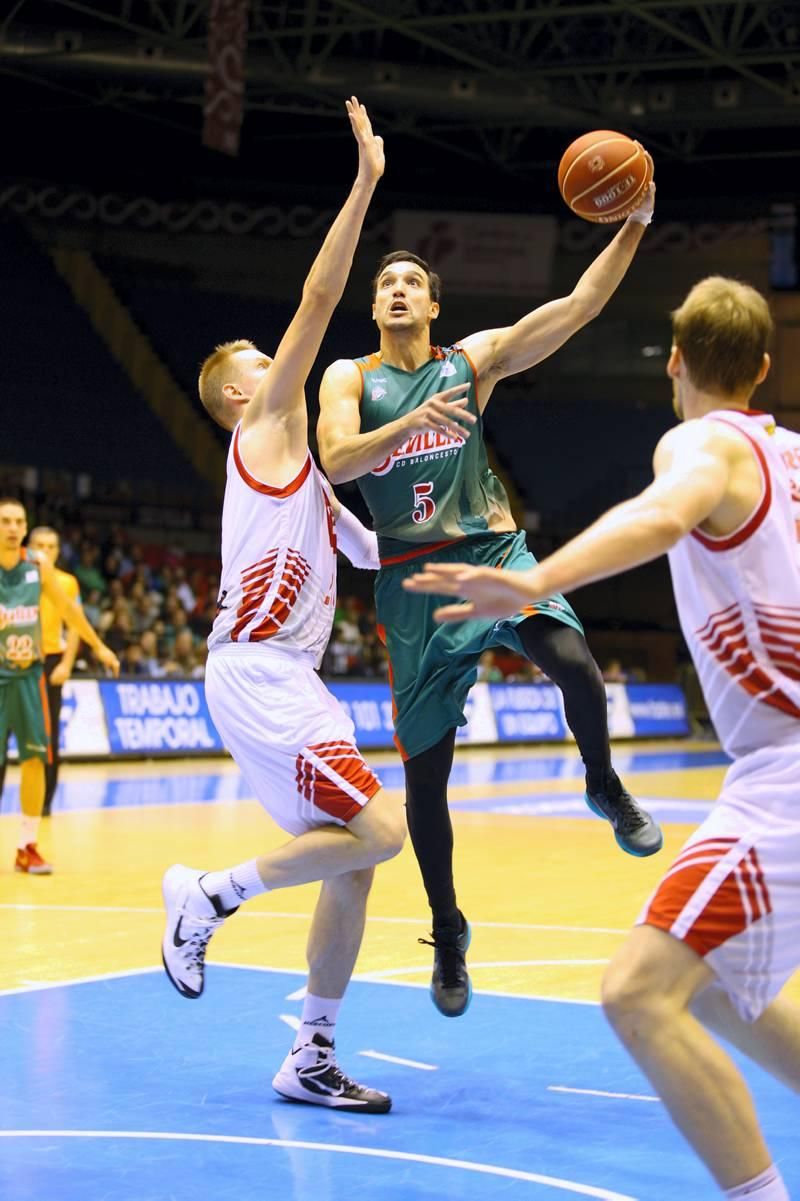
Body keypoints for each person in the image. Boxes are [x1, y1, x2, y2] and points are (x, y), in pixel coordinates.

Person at [404, 276, 800, 1201]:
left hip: (784, 779)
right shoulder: (791, 456)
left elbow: (665, 513)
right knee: (706, 988)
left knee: (635, 993)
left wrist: (531, 577)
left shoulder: (703, 441)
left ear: (673, 362)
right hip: (773, 775)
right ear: (766, 368)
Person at [316, 182, 663, 1018]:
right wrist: (407, 426)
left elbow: (578, 306)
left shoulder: (470, 363)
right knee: (425, 785)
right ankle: (448, 925)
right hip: (413, 581)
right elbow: (336, 461)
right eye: (385, 284)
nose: (398, 289)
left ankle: (603, 782)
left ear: (435, 304)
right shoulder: (348, 376)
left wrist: (635, 225)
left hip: (492, 553)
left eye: (411, 282)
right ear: (375, 308)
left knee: (576, 667)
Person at [160, 98, 406, 1114]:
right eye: (264, 357)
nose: (281, 359)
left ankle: (310, 1049)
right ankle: (208, 895)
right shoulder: (260, 425)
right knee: (381, 830)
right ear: (236, 394)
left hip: (281, 681)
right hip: (260, 676)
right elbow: (318, 293)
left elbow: (378, 551)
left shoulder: (303, 475)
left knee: (353, 864)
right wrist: (362, 183)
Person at [0, 499, 120, 872]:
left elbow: (69, 610)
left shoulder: (38, 566)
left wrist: (99, 646)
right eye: (5, 521)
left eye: (19, 521)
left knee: (36, 759)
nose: (13, 527)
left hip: (28, 676)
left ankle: (27, 845)